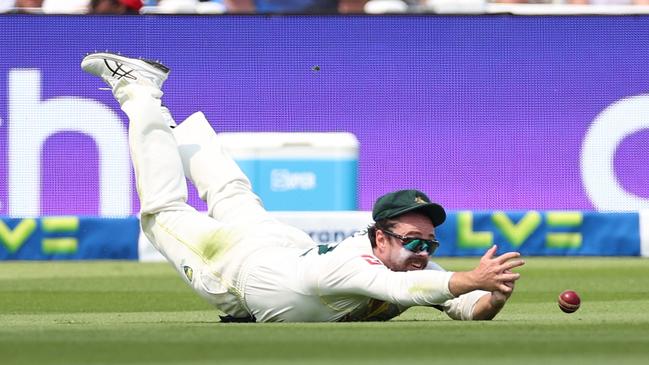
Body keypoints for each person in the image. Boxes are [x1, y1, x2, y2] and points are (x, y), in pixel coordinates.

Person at [80, 52, 525, 322]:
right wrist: (470, 279)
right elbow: (403, 293)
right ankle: (139, 93)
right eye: (413, 242)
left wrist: (493, 297)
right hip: (236, 273)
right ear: (379, 238)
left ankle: (169, 126)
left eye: (429, 244)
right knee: (163, 214)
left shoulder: (412, 270)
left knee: (232, 192)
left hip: (281, 247)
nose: (423, 254)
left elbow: (464, 308)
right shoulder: (355, 266)